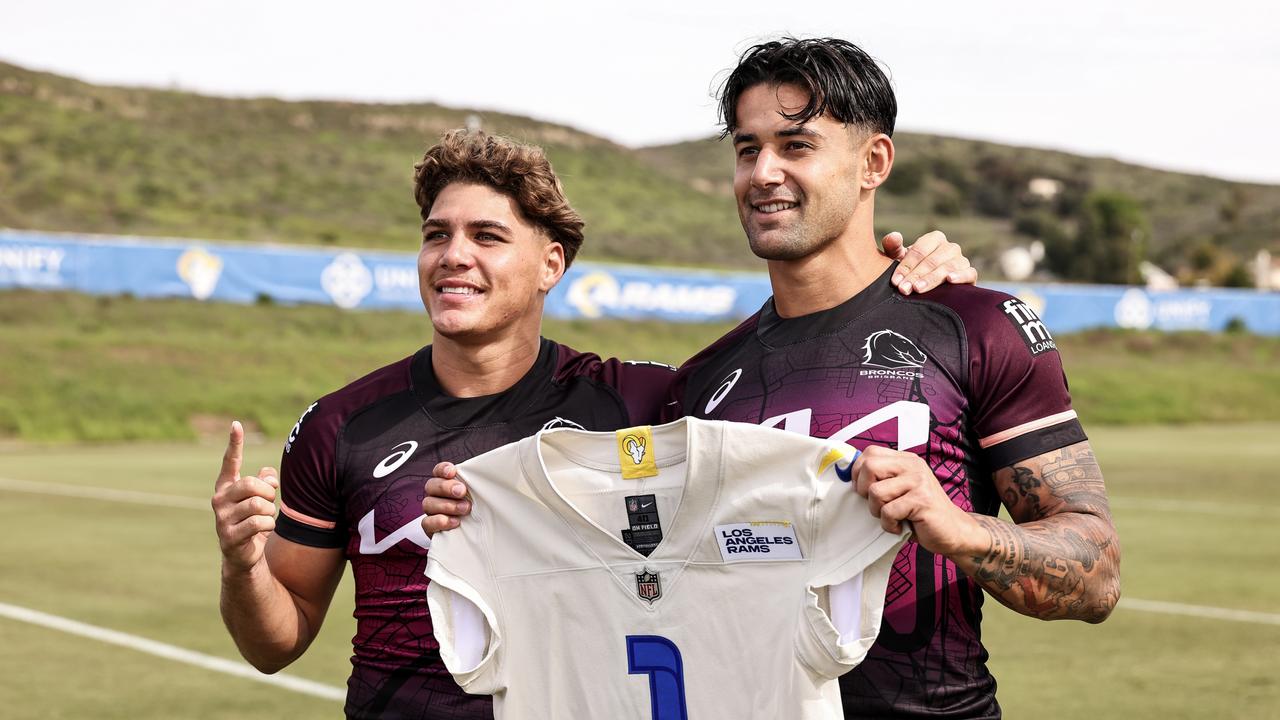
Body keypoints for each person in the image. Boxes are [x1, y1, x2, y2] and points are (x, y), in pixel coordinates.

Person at [425, 38, 1121, 719]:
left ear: (873, 161)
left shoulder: (976, 326)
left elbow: (1097, 576)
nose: (763, 172)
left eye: (796, 145)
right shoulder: (699, 387)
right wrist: (475, 504)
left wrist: (955, 529)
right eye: (747, 148)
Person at [212, 128, 975, 719]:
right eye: (436, 234)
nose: (453, 257)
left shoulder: (643, 404)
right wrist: (243, 566)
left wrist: (903, 279)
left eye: (486, 236)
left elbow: (786, 374)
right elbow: (275, 643)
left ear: (550, 264)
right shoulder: (342, 423)